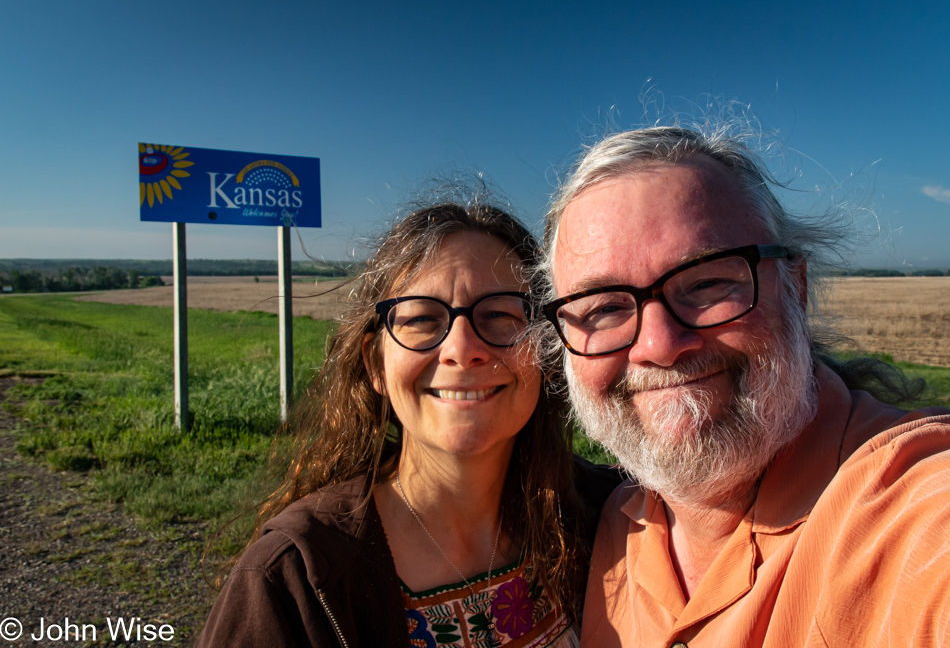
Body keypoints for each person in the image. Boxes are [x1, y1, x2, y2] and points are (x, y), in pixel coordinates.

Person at [540, 125, 950, 647]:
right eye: (603, 307)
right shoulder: (611, 526)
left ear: (795, 288)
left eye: (708, 282)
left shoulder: (912, 516)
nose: (659, 345)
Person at [197, 195, 621, 647]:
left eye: (499, 314)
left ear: (546, 352)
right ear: (376, 365)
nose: (462, 348)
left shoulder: (616, 516)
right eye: (422, 318)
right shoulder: (293, 578)